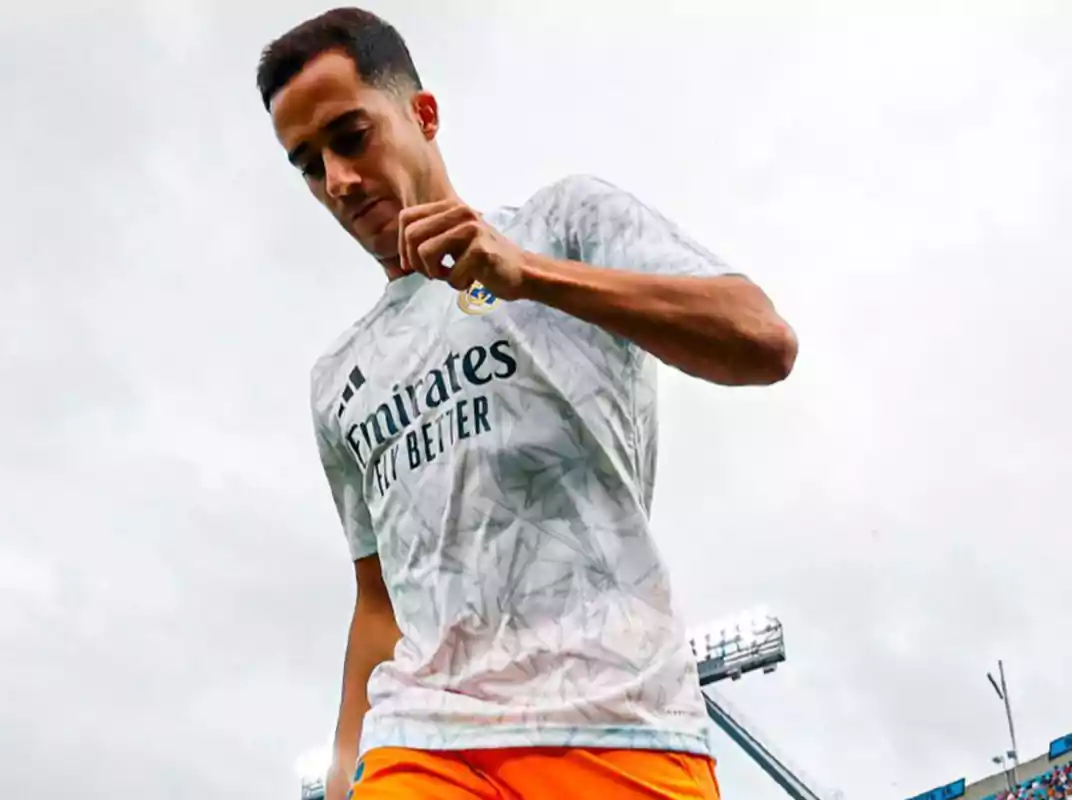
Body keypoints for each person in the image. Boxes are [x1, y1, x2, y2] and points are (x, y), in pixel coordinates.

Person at [257, 8, 797, 799]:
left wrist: (528, 276)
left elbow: (762, 341)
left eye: (350, 136)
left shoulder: (565, 224)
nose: (336, 180)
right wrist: (344, 783)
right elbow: (378, 601)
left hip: (615, 722)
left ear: (423, 114)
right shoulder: (338, 379)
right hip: (425, 742)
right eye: (308, 164)